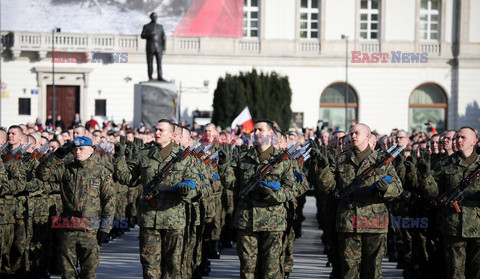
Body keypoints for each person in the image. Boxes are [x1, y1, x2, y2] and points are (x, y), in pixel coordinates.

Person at [310, 123, 402, 278]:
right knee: (349, 269)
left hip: (375, 222)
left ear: (367, 136)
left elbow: (397, 188)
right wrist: (322, 167)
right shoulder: (341, 159)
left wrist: (384, 189)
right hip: (349, 222)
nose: (352, 136)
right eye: (351, 133)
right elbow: (328, 185)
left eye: (356, 133)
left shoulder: (382, 160)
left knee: (373, 269)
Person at [113, 119, 200, 278]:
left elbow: (196, 185)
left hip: (174, 219)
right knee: (149, 267)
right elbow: (127, 179)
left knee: (173, 267)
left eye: (161, 130)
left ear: (172, 135)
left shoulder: (184, 157)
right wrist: (119, 157)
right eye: (156, 129)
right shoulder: (144, 154)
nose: (157, 133)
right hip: (149, 218)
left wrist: (187, 190)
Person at [217, 119, 297, 279]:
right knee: (248, 269)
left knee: (271, 269)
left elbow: (291, 190)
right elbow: (231, 183)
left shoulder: (283, 160)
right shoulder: (243, 157)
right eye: (255, 130)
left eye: (260, 130)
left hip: (273, 222)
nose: (256, 133)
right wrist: (224, 164)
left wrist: (271, 194)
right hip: (247, 221)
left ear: (271, 134)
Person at [36, 136, 116, 278]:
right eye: (75, 149)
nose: (78, 152)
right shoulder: (66, 169)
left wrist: (106, 227)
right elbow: (42, 173)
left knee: (88, 272)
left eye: (81, 149)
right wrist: (57, 156)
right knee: (67, 273)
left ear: (91, 151)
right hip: (68, 226)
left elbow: (109, 200)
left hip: (90, 227)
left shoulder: (100, 172)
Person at [418, 126, 480, 279]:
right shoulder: (445, 164)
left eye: (462, 137)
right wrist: (425, 176)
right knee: (454, 272)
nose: (458, 140)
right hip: (453, 225)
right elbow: (432, 193)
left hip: (478, 224)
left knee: (477, 270)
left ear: (474, 141)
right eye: (456, 137)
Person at [141, 12, 166, 82]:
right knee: (150, 63)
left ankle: (160, 76)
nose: (155, 18)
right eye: (153, 17)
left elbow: (163, 37)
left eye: (156, 17)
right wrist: (149, 35)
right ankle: (150, 77)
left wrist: (164, 47)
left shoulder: (160, 27)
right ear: (151, 18)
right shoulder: (146, 26)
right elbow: (142, 36)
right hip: (150, 47)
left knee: (159, 63)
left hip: (159, 48)